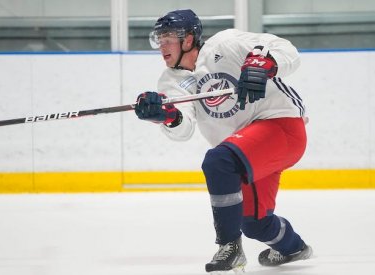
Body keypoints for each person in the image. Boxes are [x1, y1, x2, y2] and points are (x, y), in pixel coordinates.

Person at [134, 9, 313, 273]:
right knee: (254, 223)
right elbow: (183, 129)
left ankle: (229, 247)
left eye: (168, 38)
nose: (162, 46)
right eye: (159, 40)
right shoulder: (171, 81)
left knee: (218, 161)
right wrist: (166, 115)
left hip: (281, 127)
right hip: (247, 150)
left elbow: (285, 49)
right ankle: (294, 248)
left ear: (188, 39)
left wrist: (265, 63)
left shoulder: (225, 44)